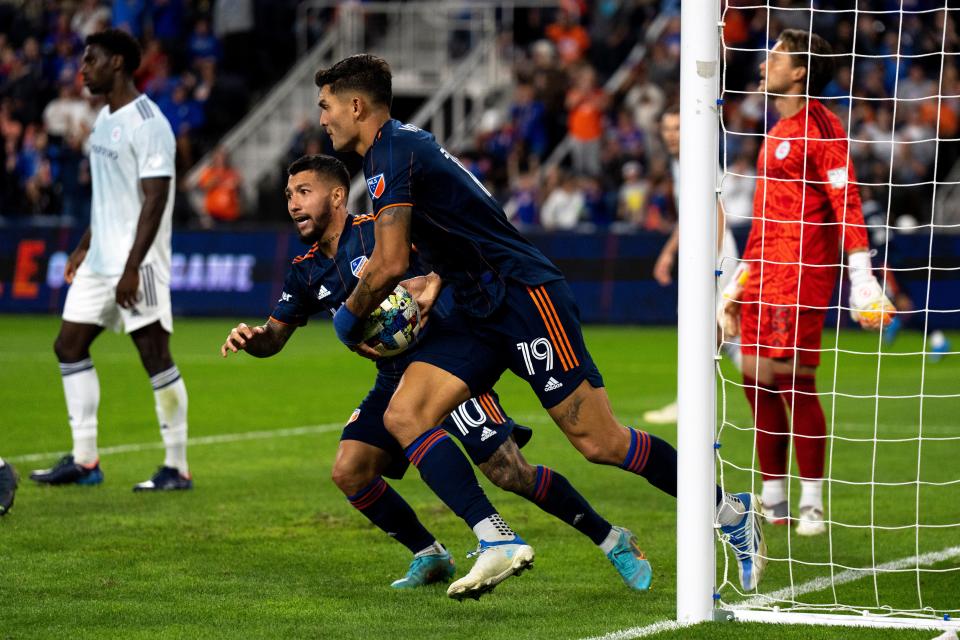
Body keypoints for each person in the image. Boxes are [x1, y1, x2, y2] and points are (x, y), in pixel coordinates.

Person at [315, 54, 767, 593]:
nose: (323, 118)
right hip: (474, 305)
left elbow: (389, 263)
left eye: (327, 106)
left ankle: (730, 511)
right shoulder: (402, 147)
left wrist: (348, 318)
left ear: (356, 104)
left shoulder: (392, 152)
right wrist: (437, 277)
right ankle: (495, 538)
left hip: (525, 298)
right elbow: (465, 221)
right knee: (406, 413)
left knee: (600, 442)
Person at [220, 155, 652, 593]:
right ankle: (430, 554)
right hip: (392, 378)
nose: (293, 203)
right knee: (350, 470)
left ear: (336, 196)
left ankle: (609, 538)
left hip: (443, 364)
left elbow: (450, 259)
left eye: (303, 192)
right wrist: (251, 338)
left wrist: (429, 280)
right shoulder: (306, 269)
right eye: (289, 195)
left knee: (510, 473)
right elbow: (273, 338)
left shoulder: (381, 230)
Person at [719, 30, 895, 536]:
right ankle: (773, 496)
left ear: (800, 71)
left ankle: (812, 501)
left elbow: (848, 199)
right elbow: (764, 217)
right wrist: (738, 283)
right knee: (753, 373)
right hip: (763, 272)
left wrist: (861, 273)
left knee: (794, 379)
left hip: (802, 275)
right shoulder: (776, 129)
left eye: (777, 55)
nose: (765, 62)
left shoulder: (823, 126)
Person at [30, 29, 191, 492]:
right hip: (100, 260)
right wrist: (83, 246)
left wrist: (130, 267)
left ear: (117, 62)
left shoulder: (149, 122)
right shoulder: (104, 119)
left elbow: (154, 199)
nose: (82, 69)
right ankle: (85, 462)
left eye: (91, 60)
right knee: (68, 346)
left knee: (154, 355)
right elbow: (108, 198)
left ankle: (177, 467)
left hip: (136, 264)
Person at [644, 106, 743, 425]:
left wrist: (711, 263)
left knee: (709, 326)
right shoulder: (678, 163)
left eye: (678, 127)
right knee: (721, 329)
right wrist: (668, 253)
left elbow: (717, 212)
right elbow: (689, 217)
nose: (672, 133)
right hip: (701, 251)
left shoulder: (698, 159)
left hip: (715, 252)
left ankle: (690, 402)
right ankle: (763, 387)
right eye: (668, 127)